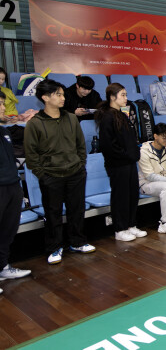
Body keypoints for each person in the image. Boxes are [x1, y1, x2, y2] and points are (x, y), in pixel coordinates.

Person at [24, 79, 95, 262]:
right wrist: (42, 175)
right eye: (58, 94)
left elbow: (80, 145)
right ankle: (54, 248)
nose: (63, 98)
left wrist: (80, 165)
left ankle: (77, 242)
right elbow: (31, 154)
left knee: (76, 210)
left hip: (75, 173)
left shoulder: (71, 118)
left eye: (63, 94)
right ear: (45, 97)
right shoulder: (35, 124)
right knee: (53, 213)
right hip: (50, 176)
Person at [95, 83, 145, 242]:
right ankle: (120, 228)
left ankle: (131, 225)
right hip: (118, 164)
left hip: (129, 162)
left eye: (126, 94)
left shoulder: (121, 114)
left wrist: (134, 154)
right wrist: (126, 155)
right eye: (122, 95)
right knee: (120, 196)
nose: (126, 98)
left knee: (132, 194)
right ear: (112, 97)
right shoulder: (107, 117)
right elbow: (108, 145)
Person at [0, 91, 31, 292]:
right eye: (0, 104)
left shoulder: (4, 131)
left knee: (8, 230)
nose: (4, 108)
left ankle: (2, 267)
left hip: (12, 186)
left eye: (3, 103)